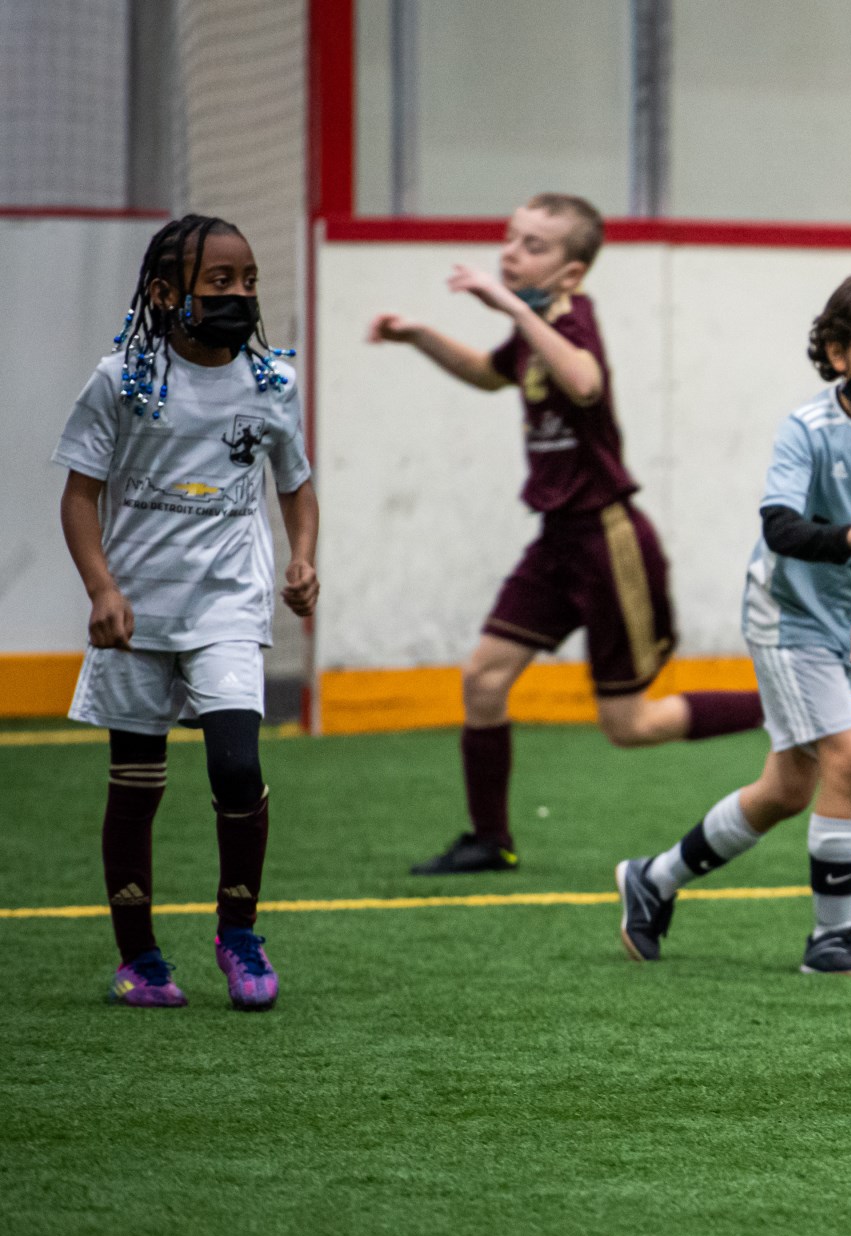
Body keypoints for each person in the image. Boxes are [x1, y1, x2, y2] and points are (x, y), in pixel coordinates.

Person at [369, 193, 763, 875]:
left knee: (628, 727)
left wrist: (512, 305)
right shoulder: (535, 325)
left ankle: (787, 704)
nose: (511, 252)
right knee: (485, 678)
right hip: (556, 539)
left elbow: (583, 382)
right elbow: (492, 374)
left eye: (533, 246)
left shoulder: (572, 317)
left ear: (570, 274)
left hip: (608, 540)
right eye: (511, 237)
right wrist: (418, 335)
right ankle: (489, 839)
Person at [614, 274, 851, 977]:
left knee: (784, 791)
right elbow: (779, 528)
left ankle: (651, 881)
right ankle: (830, 939)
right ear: (838, 354)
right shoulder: (807, 429)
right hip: (788, 619)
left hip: (849, 631)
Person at [57, 213, 317, 1010]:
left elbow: (296, 484)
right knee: (136, 786)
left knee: (238, 766)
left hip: (228, 605)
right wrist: (103, 588)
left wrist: (302, 554)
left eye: (248, 283)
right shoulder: (121, 380)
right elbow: (79, 498)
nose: (239, 296)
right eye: (219, 284)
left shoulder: (273, 381)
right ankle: (140, 957)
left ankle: (238, 933)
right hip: (138, 612)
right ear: (168, 294)